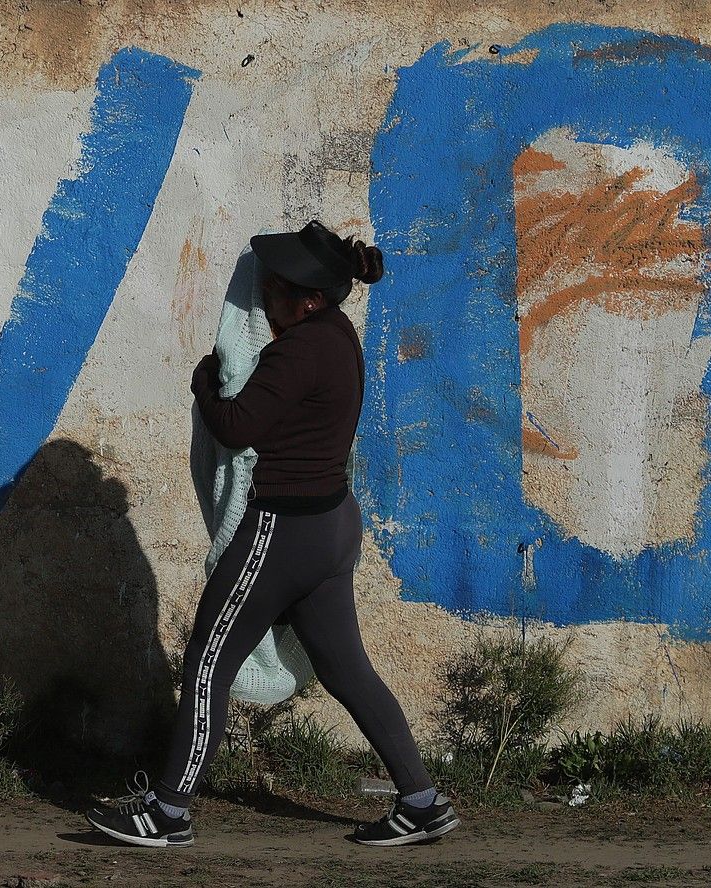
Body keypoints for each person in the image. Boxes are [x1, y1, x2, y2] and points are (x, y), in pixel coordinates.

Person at [84, 220, 460, 848]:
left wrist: (206, 386)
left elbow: (237, 426)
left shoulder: (299, 350)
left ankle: (169, 811)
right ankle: (422, 801)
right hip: (332, 527)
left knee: (208, 664)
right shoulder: (339, 337)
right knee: (347, 670)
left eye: (270, 292)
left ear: (303, 298)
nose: (260, 302)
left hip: (283, 532)